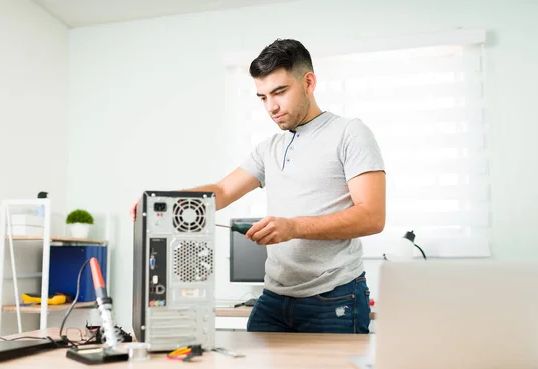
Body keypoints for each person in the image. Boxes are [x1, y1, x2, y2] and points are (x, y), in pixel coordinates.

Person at [131, 38, 386, 334]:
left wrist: (294, 227)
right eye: (263, 97)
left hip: (335, 298)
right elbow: (223, 191)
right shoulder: (269, 148)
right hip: (274, 299)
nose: (271, 107)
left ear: (309, 82)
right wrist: (161, 199)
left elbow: (372, 216)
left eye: (279, 92)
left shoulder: (349, 133)